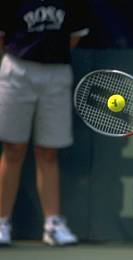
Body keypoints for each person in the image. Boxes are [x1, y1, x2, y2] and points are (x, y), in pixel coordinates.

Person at [0, 0, 89, 246]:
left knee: (48, 151)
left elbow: (73, 38)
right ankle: (1, 221)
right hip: (17, 70)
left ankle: (52, 224)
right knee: (13, 149)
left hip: (57, 73)